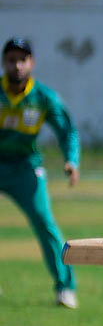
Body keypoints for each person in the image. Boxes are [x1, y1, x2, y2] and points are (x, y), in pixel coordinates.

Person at [1, 37, 80, 309]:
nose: (17, 66)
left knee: (45, 223)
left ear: (32, 63)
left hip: (25, 167)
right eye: (11, 60)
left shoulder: (43, 97)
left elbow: (67, 131)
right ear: (4, 63)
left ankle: (65, 287)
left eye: (22, 60)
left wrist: (72, 160)